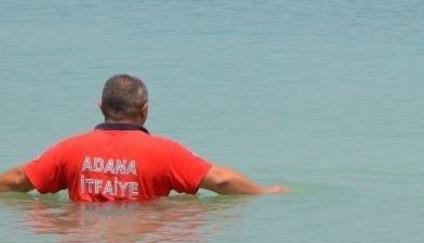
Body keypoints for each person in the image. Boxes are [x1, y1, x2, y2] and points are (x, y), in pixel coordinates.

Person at [0, 74, 286, 201]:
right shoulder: (165, 152)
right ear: (145, 110)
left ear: (101, 108)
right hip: (144, 239)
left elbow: (16, 181)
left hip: (84, 240)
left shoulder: (69, 149)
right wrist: (263, 193)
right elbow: (221, 180)